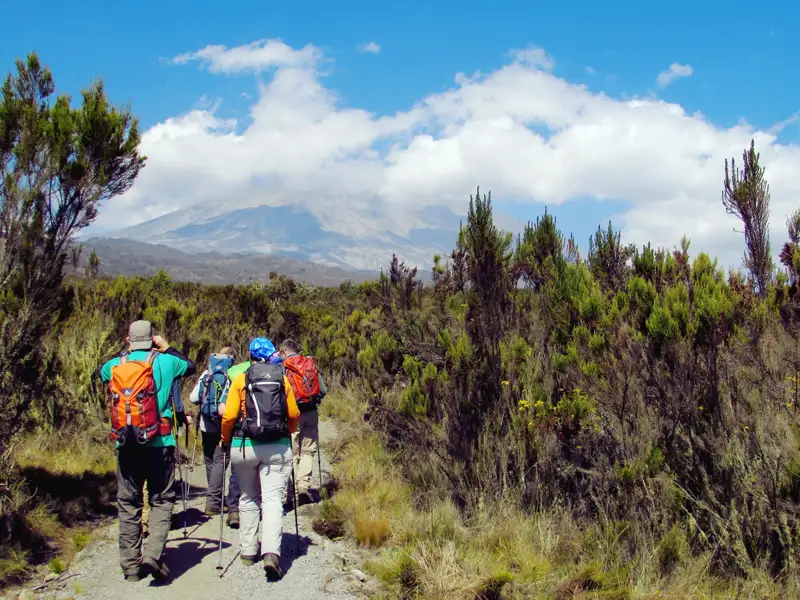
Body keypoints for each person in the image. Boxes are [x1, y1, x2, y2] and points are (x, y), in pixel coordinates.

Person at [99, 320, 196, 582]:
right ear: (152, 338)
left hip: (126, 444)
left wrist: (125, 354)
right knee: (161, 500)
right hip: (160, 442)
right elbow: (190, 365)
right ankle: (152, 554)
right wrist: (166, 348)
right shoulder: (166, 362)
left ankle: (130, 567)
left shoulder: (115, 365)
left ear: (128, 340)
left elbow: (100, 373)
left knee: (128, 502)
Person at [220, 337, 299, 581]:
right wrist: (289, 432)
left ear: (250, 355)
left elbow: (229, 415)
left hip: (244, 446)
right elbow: (294, 413)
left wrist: (225, 440)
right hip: (277, 445)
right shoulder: (281, 378)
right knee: (273, 499)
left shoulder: (240, 378)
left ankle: (248, 551)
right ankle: (272, 554)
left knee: (248, 496)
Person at [189, 346, 240, 527]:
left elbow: (193, 397)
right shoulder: (232, 375)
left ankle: (214, 494)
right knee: (220, 460)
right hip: (223, 424)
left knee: (210, 460)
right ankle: (213, 502)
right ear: (233, 359)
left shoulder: (207, 373)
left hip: (205, 424)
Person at [278, 339, 327, 506]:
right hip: (311, 412)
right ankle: (304, 487)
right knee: (307, 451)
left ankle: (289, 493)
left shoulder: (283, 367)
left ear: (283, 351)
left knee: (292, 451)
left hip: (292, 414)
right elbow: (323, 390)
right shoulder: (309, 363)